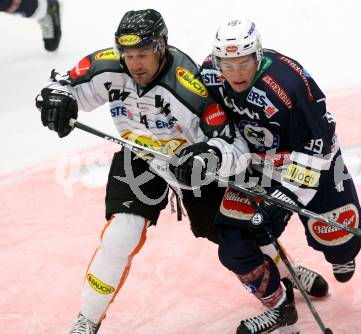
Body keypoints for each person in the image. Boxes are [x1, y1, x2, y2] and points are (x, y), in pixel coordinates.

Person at [35, 9, 251, 334]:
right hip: (141, 156)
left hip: (191, 165)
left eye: (143, 54)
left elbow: (234, 146)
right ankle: (87, 320)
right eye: (129, 54)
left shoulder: (191, 84)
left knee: (236, 234)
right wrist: (56, 100)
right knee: (119, 237)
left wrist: (209, 157)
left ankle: (286, 277)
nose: (135, 63)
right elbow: (61, 85)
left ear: (162, 47)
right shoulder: (108, 65)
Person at [196, 19, 361, 333]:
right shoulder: (208, 73)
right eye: (227, 64)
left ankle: (341, 252)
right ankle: (279, 308)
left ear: (257, 55)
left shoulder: (288, 82)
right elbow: (206, 116)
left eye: (243, 62)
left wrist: (285, 198)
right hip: (257, 169)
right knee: (234, 247)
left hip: (314, 164)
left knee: (339, 241)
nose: (235, 72)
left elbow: (318, 143)